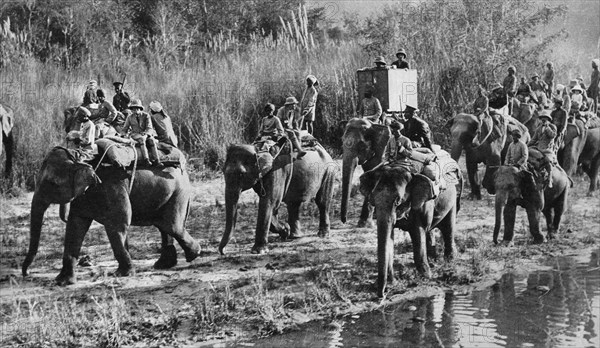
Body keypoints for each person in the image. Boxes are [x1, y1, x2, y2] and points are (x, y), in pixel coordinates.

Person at [120, 99, 160, 167]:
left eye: (137, 108)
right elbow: (125, 128)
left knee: (152, 141)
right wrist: (123, 135)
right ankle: (146, 160)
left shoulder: (146, 116)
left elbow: (149, 127)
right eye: (133, 108)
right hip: (135, 134)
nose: (135, 110)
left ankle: (157, 160)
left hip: (145, 134)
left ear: (140, 108)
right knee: (142, 139)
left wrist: (146, 135)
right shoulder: (129, 117)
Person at [529, 110, 558, 187]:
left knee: (548, 161)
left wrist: (547, 128)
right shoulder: (539, 128)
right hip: (538, 148)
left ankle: (549, 179)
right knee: (528, 152)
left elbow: (553, 135)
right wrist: (526, 145)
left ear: (548, 119)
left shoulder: (552, 127)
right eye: (542, 118)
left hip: (547, 150)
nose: (543, 119)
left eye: (545, 118)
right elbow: (534, 139)